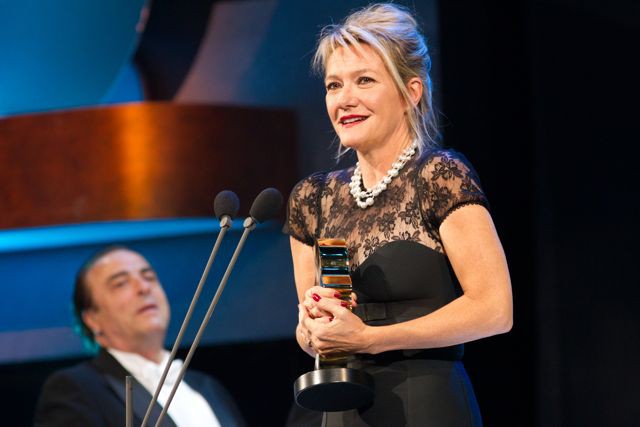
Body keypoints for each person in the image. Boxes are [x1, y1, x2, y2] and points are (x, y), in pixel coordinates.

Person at [284, 3, 513, 426]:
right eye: (334, 85)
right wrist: (312, 328)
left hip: (428, 403)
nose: (344, 99)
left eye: (364, 80)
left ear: (411, 92)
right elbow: (310, 334)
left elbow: (495, 309)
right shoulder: (311, 199)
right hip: (342, 408)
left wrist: (371, 339)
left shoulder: (439, 176)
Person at [34, 246, 245, 427]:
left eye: (149, 277)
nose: (144, 288)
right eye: (120, 283)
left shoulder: (209, 387)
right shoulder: (76, 389)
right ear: (92, 319)